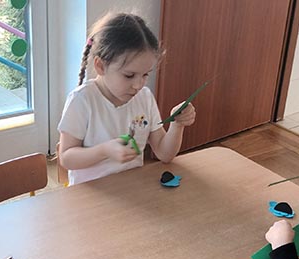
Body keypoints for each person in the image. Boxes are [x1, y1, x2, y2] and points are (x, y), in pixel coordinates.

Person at [58, 12, 196, 185]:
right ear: (100, 66)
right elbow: (67, 158)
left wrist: (177, 124)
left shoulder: (144, 98)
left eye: (145, 74)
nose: (138, 85)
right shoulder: (82, 100)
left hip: (131, 189)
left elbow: (164, 154)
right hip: (90, 193)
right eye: (129, 75)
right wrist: (104, 151)